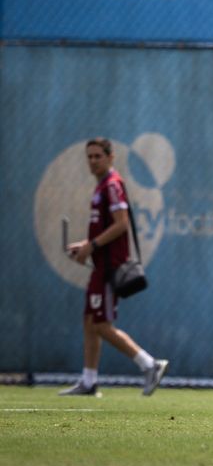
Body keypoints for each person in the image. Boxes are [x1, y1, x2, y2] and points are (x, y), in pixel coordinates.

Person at [60, 138, 169, 397]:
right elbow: (107, 228)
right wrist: (86, 245)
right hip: (100, 265)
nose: (93, 161)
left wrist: (92, 246)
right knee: (90, 320)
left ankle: (149, 364)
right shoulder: (101, 187)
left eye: (98, 156)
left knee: (100, 324)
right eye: (90, 156)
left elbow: (121, 224)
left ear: (111, 158)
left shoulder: (111, 185)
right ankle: (88, 381)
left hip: (110, 267)